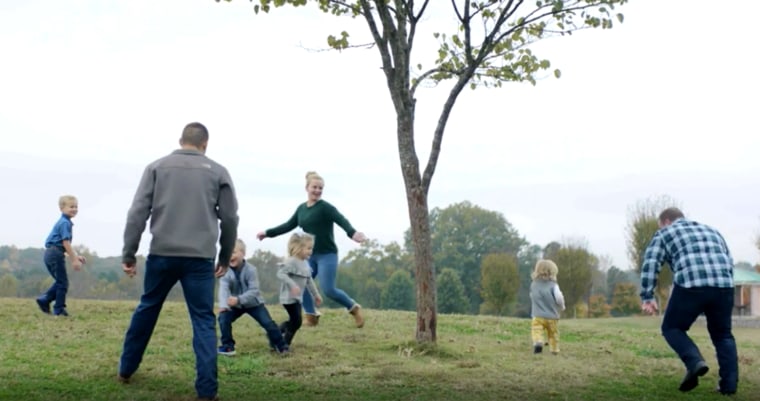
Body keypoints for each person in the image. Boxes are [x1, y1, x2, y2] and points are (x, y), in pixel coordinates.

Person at [117, 122, 239, 401]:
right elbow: (230, 218)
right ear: (205, 144)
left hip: (162, 253)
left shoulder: (157, 167)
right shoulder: (219, 172)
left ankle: (126, 369)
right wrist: (224, 254)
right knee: (203, 321)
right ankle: (207, 391)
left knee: (147, 308)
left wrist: (129, 253)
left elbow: (137, 212)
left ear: (180, 140)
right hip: (199, 259)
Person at [639, 207, 738, 395]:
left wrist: (647, 296)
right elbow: (729, 260)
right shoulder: (712, 230)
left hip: (691, 285)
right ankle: (729, 386)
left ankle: (694, 361)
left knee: (672, 328)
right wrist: (724, 288)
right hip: (724, 286)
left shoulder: (664, 233)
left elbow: (651, 264)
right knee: (723, 335)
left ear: (666, 221)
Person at [256, 171, 366, 328]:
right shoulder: (301, 209)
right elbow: (288, 225)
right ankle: (311, 315)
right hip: (309, 256)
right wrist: (267, 233)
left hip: (327, 255)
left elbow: (341, 220)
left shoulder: (325, 208)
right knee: (302, 284)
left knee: (328, 289)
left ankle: (353, 308)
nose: (317, 191)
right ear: (307, 188)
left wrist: (352, 233)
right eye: (314, 187)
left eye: (320, 188)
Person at [217, 239, 289, 356]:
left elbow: (254, 291)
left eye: (234, 252)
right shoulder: (225, 271)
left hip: (254, 304)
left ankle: (281, 346)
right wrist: (223, 305)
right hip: (234, 305)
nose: (230, 256)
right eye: (228, 253)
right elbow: (223, 288)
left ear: (243, 253)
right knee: (223, 318)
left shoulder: (251, 270)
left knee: (268, 323)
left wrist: (239, 299)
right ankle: (228, 346)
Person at [35, 195, 86, 317]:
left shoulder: (64, 222)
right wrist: (74, 259)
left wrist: (75, 255)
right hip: (54, 254)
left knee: (60, 282)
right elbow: (65, 242)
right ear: (62, 208)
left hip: (52, 253)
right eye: (71, 207)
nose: (74, 209)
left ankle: (45, 300)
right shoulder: (64, 223)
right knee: (62, 283)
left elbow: (61, 245)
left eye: (76, 207)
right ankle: (58, 309)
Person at [277, 233, 323, 347]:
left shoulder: (305, 264)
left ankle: (276, 333)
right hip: (288, 298)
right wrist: (292, 285)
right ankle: (284, 344)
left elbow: (309, 281)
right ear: (299, 248)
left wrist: (316, 295)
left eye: (311, 248)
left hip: (297, 298)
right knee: (296, 321)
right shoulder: (291, 261)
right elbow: (281, 274)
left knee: (295, 322)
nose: (310, 251)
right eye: (308, 248)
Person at [529, 259, 565, 355]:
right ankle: (554, 349)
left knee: (536, 330)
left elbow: (532, 296)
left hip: (537, 315)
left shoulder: (534, 284)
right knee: (553, 334)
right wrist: (562, 306)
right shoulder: (553, 285)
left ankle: (538, 342)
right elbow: (559, 298)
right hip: (552, 316)